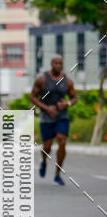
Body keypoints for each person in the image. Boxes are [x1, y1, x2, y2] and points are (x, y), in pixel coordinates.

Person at [31, 54, 77, 186]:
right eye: (55, 63)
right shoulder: (42, 79)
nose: (58, 66)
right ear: (51, 64)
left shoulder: (67, 81)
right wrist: (47, 108)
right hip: (46, 117)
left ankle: (57, 174)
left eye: (60, 63)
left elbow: (74, 98)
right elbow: (33, 97)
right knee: (47, 147)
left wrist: (67, 104)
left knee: (62, 141)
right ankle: (44, 161)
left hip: (62, 117)